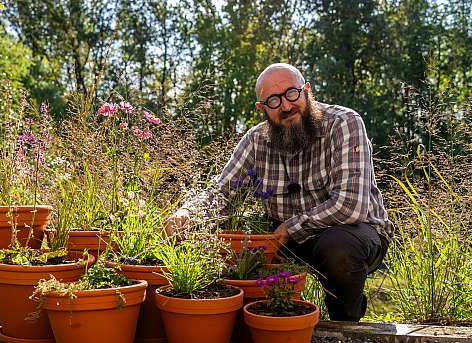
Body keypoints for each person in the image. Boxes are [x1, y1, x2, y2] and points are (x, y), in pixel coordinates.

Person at [165, 63, 393, 321]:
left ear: (306, 91)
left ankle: (344, 325)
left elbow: (350, 206)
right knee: (240, 247)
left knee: (337, 247)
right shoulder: (255, 140)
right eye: (273, 101)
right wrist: (187, 213)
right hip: (283, 238)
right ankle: (266, 322)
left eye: (292, 94)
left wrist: (290, 228)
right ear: (261, 108)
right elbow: (222, 193)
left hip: (353, 232)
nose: (285, 106)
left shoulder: (344, 123)